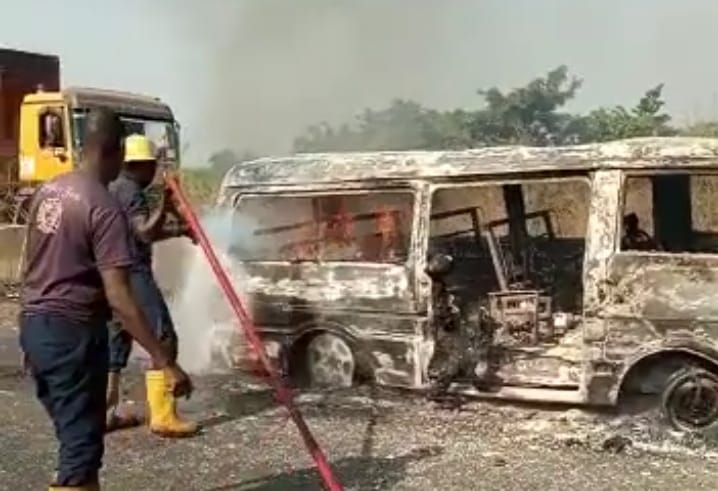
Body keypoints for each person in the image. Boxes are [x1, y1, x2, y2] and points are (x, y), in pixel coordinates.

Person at [19, 108, 193, 491]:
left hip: (35, 329)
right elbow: (120, 295)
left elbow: (28, 267)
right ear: (114, 153)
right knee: (79, 452)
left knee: (79, 438)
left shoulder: (48, 190)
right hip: (72, 335)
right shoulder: (104, 205)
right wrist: (166, 362)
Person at [105, 134, 198, 437]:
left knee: (116, 343)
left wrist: (178, 230)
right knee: (163, 336)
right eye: (151, 167)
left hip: (113, 273)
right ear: (142, 165)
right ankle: (163, 416)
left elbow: (137, 232)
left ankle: (105, 412)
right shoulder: (131, 190)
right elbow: (144, 232)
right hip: (133, 273)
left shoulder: (113, 188)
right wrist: (166, 203)